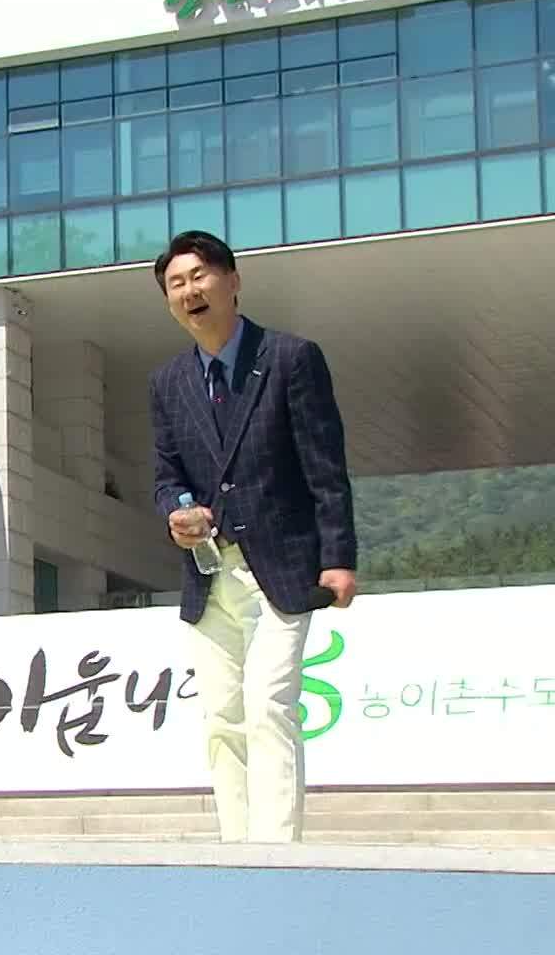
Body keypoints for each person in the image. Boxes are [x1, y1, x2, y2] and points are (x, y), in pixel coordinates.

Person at [147, 230, 358, 844]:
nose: (189, 291)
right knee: (221, 717)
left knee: (269, 705)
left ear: (233, 281)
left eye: (199, 276)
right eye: (176, 284)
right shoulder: (168, 382)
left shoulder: (292, 358)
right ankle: (235, 851)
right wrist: (178, 512)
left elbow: (325, 466)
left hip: (282, 569)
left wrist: (339, 557)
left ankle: (277, 854)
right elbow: (167, 476)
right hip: (208, 576)